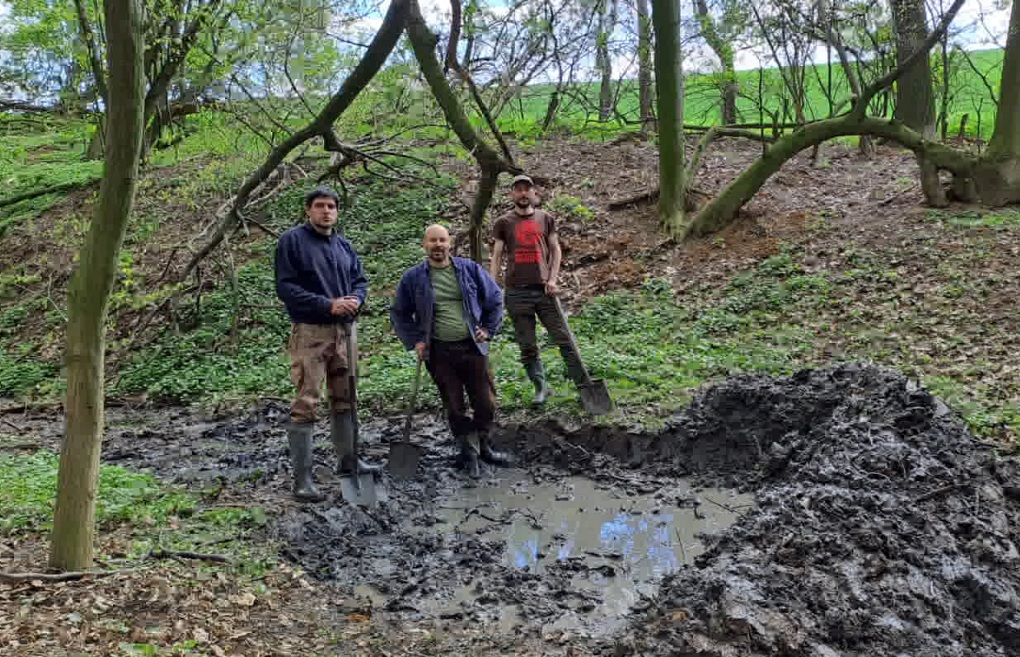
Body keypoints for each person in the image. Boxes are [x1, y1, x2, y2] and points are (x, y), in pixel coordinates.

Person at [274, 186, 380, 502]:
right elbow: (286, 287)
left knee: (345, 396)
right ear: (308, 210)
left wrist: (355, 300)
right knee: (307, 400)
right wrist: (327, 304)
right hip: (311, 331)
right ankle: (302, 480)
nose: (326, 211)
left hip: (345, 333)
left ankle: (349, 461)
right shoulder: (291, 242)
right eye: (320, 206)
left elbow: (360, 281)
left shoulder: (343, 245)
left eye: (331, 206)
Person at [391, 224, 510, 477]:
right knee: (455, 406)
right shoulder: (413, 278)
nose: (438, 245)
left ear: (449, 243)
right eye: (433, 241)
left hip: (473, 347)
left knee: (485, 402)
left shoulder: (469, 270)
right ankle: (468, 453)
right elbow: (399, 313)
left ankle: (484, 445)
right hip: (439, 352)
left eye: (442, 240)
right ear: (425, 244)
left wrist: (488, 329)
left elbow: (495, 298)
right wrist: (416, 340)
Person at [489, 174, 591, 405]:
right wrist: (492, 285)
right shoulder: (503, 222)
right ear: (512, 194)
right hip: (516, 292)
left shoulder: (546, 218)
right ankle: (541, 387)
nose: (523, 193)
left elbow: (556, 250)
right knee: (527, 345)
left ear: (534, 193)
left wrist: (553, 278)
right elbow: (496, 256)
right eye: (518, 190)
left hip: (544, 290)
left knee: (564, 340)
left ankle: (584, 387)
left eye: (527, 189)